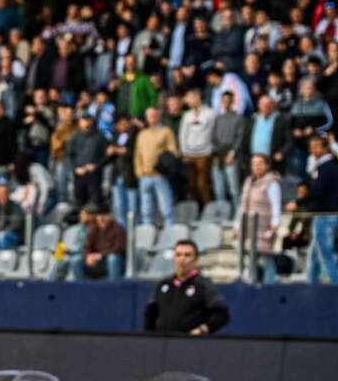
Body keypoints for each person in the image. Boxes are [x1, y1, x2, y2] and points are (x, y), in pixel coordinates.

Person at [143, 240, 230, 335]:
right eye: (178, 255)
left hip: (190, 342)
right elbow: (150, 314)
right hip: (162, 341)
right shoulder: (164, 284)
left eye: (187, 255)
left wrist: (202, 329)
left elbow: (222, 314)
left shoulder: (204, 285)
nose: (182, 259)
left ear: (196, 259)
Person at [291, 133, 338, 284]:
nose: (312, 150)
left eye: (316, 147)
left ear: (325, 148)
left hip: (325, 215)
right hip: (324, 215)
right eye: (311, 147)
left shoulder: (327, 167)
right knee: (314, 256)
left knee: (326, 255)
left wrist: (298, 203)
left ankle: (335, 287)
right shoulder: (328, 165)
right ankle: (311, 286)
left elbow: (318, 191)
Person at [236, 154, 283, 283]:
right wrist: (237, 226)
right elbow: (243, 205)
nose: (257, 166)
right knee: (251, 258)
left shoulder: (272, 183)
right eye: (254, 164)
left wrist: (275, 224)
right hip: (249, 225)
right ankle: (253, 284)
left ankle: (270, 285)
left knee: (266, 257)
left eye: (260, 163)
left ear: (267, 165)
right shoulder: (248, 181)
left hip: (264, 225)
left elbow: (276, 205)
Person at [135, 107, 178, 226]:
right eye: (149, 116)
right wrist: (139, 171)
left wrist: (164, 167)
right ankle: (147, 231)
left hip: (160, 175)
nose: (152, 118)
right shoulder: (142, 134)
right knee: (146, 209)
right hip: (145, 176)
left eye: (154, 115)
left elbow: (173, 152)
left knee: (166, 207)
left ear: (159, 116)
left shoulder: (166, 131)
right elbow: (138, 154)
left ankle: (170, 230)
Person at [178, 87, 215, 205]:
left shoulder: (210, 113)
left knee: (202, 184)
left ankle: (207, 207)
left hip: (204, 154)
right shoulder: (187, 115)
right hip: (189, 154)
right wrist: (184, 151)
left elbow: (213, 132)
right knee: (190, 184)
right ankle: (195, 208)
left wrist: (210, 149)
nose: (186, 100)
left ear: (197, 97)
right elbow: (182, 134)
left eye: (189, 97)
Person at [72, 205, 125, 280]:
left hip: (112, 262)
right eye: (99, 216)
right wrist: (88, 256)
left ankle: (113, 285)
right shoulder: (93, 229)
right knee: (76, 260)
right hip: (96, 262)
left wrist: (100, 255)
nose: (101, 218)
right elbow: (87, 247)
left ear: (110, 216)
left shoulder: (118, 229)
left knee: (113, 258)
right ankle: (80, 286)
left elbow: (119, 248)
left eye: (104, 216)